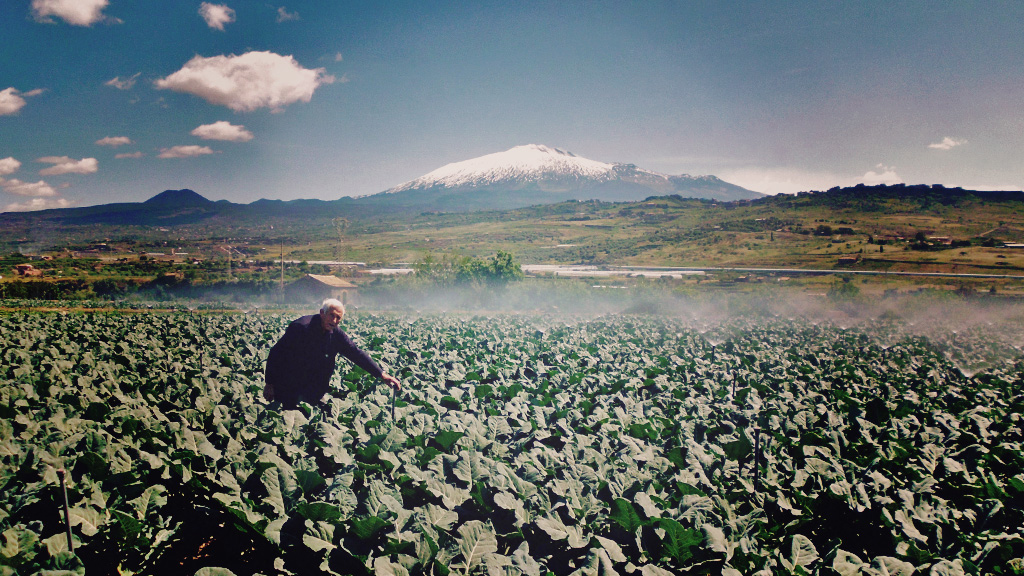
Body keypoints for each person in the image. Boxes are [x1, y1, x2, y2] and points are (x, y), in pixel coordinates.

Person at [264, 298, 400, 409]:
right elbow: (277, 354)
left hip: (313, 389)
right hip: (289, 386)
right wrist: (270, 383)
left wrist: (381, 374)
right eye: (331, 315)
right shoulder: (300, 328)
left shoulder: (336, 334)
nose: (334, 321)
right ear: (322, 313)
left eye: (338, 318)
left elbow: (355, 353)